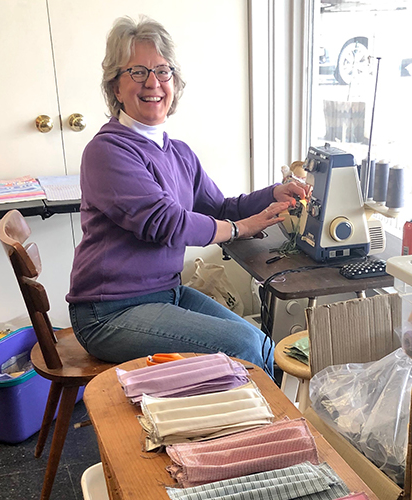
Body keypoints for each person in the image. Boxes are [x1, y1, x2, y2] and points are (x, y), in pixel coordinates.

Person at [66, 15, 307, 377]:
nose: (153, 83)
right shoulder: (108, 151)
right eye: (137, 72)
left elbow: (221, 207)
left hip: (165, 293)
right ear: (115, 87)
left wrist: (274, 192)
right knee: (243, 347)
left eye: (163, 71)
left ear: (174, 84)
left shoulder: (177, 151)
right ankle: (259, 428)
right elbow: (166, 223)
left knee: (258, 340)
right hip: (108, 312)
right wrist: (239, 228)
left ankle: (263, 429)